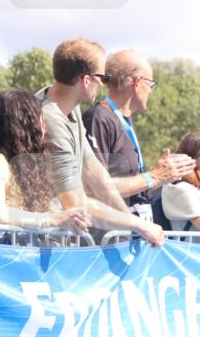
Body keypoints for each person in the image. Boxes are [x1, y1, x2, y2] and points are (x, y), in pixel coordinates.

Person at [0, 89, 162, 244]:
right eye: (41, 118)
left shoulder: (32, 169)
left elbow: (82, 206)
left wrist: (136, 224)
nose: (46, 126)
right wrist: (55, 220)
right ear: (28, 124)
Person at [83, 49, 195, 219]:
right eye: (150, 85)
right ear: (137, 82)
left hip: (132, 230)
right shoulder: (98, 118)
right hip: (108, 235)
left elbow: (130, 185)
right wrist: (153, 176)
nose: (150, 91)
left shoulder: (124, 120)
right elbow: (95, 188)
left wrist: (160, 177)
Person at [35, 38, 133, 216]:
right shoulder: (50, 119)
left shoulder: (70, 106)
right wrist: (137, 225)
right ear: (86, 80)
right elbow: (74, 203)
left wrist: (128, 217)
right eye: (104, 78)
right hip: (40, 235)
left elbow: (92, 168)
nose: (103, 85)